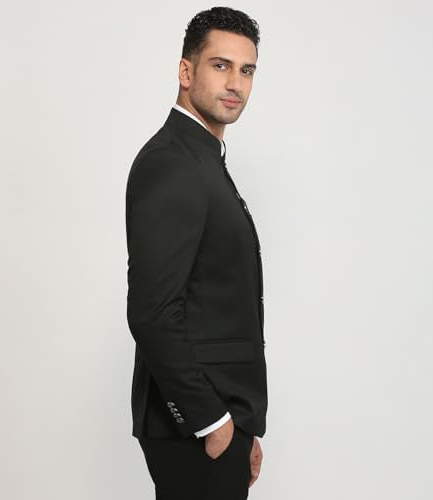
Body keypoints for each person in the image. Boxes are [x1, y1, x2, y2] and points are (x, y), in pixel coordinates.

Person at [125, 7, 267, 499]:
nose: (235, 83)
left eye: (246, 70)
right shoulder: (172, 163)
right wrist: (212, 421)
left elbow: (214, 302)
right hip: (193, 426)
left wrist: (241, 424)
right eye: (220, 65)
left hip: (221, 417)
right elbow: (152, 312)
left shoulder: (203, 159)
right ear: (186, 72)